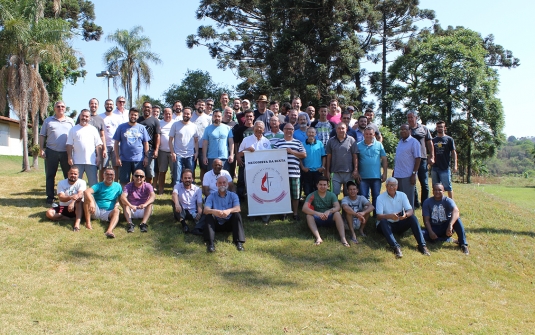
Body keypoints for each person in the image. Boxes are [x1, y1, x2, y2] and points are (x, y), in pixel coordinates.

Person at [375, 177, 430, 258]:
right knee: (383, 221)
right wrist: (390, 216)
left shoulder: (402, 195)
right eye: (389, 185)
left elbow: (410, 210)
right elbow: (378, 216)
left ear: (397, 186)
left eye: (393, 185)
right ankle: (396, 247)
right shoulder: (380, 198)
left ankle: (422, 245)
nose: (391, 187)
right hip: (387, 225)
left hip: (399, 221)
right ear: (386, 186)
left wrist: (405, 215)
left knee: (413, 218)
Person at [39, 101, 75, 204]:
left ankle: (68, 196)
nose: (60, 108)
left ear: (65, 108)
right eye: (58, 106)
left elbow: (74, 136)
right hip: (51, 152)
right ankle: (50, 197)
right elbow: (42, 135)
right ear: (55, 108)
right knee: (50, 175)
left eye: (62, 106)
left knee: (68, 176)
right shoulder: (48, 121)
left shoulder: (70, 121)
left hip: (66, 153)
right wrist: (42, 149)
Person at [302, 177, 350, 247]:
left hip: (329, 217)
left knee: (337, 214)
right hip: (317, 217)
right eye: (320, 184)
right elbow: (304, 208)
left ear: (328, 186)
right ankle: (318, 238)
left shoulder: (331, 195)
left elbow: (338, 207)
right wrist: (317, 213)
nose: (322, 186)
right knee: (308, 216)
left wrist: (329, 211)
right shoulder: (312, 195)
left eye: (324, 185)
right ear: (317, 185)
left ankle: (343, 238)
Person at [422, 183, 469, 254]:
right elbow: (426, 220)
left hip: (446, 227)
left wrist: (450, 225)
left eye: (440, 190)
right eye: (435, 190)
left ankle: (463, 244)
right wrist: (431, 232)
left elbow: (456, 211)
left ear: (443, 191)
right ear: (432, 191)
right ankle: (446, 239)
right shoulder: (427, 202)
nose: (437, 192)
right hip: (434, 227)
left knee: (457, 219)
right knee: (421, 234)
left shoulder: (448, 200)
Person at [203, 176, 246, 253]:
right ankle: (211, 243)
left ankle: (238, 242)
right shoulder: (211, 196)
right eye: (220, 183)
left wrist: (229, 211)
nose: (222, 184)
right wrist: (214, 211)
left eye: (224, 183)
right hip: (216, 224)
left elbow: (238, 208)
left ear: (227, 184)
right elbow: (205, 210)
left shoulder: (233, 195)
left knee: (237, 215)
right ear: (216, 184)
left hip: (229, 223)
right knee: (208, 216)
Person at [274, 123, 307, 220]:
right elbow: (273, 156)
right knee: (283, 194)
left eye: (291, 129)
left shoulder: (298, 143)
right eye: (287, 129)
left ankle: (295, 213)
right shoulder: (278, 143)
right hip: (281, 174)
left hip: (294, 173)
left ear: (293, 131)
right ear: (283, 130)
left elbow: (304, 155)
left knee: (295, 195)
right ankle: (284, 213)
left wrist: (292, 152)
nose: (289, 131)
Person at [113, 108, 150, 186]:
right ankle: (124, 197)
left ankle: (137, 197)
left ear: (138, 116)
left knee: (138, 181)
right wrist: (117, 157)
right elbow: (116, 143)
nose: (133, 116)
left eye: (135, 115)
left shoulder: (142, 128)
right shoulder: (121, 127)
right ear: (129, 115)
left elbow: (146, 143)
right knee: (124, 181)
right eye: (132, 114)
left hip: (139, 159)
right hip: (124, 159)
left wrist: (146, 157)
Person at [66, 109, 103, 187]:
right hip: (77, 161)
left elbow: (98, 144)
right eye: (83, 115)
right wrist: (69, 157)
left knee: (93, 184)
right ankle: (77, 198)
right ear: (80, 116)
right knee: (75, 183)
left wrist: (98, 156)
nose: (84, 118)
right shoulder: (73, 129)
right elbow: (69, 144)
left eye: (87, 116)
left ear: (89, 118)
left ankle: (93, 198)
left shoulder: (93, 129)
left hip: (91, 161)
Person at [83, 167, 122, 238]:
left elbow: (120, 198)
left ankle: (109, 231)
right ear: (103, 175)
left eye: (111, 174)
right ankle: (88, 223)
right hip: (95, 210)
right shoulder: (99, 185)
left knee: (117, 211)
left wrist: (118, 205)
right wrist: (91, 202)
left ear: (114, 176)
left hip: (108, 212)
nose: (109, 176)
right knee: (87, 197)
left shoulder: (118, 186)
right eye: (107, 174)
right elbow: (86, 191)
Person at [45, 166, 86, 231]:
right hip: (63, 206)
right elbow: (61, 198)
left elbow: (80, 194)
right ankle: (68, 218)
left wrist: (72, 202)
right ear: (68, 173)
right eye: (71, 173)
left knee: (79, 201)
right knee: (49, 213)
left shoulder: (82, 182)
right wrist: (71, 197)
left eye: (75, 174)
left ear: (78, 174)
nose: (73, 175)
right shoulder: (61, 183)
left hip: (77, 207)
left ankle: (77, 224)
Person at [356, 127, 388, 210]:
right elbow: (355, 160)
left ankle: (376, 216)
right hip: (363, 177)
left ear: (374, 134)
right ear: (363, 134)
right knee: (363, 197)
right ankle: (364, 216)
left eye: (370, 134)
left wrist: (385, 173)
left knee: (376, 197)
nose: (368, 135)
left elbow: (384, 159)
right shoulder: (358, 145)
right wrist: (357, 173)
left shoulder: (379, 144)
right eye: (366, 134)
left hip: (376, 177)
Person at [407, 111, 434, 207]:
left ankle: (425, 203)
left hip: (422, 159)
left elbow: (430, 143)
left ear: (416, 117)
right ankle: (415, 203)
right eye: (408, 117)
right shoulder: (406, 129)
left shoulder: (424, 128)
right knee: (411, 182)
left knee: (425, 183)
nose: (410, 119)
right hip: (410, 160)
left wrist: (432, 155)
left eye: (412, 117)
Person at [393, 123, 423, 209]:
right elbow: (398, 158)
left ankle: (410, 219)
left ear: (410, 131)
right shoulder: (400, 142)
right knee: (398, 199)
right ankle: (400, 218)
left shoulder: (414, 142)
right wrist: (394, 171)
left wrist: (414, 173)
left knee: (408, 200)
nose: (402, 131)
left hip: (408, 175)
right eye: (401, 130)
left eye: (405, 129)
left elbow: (418, 159)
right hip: (398, 175)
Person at [325, 122, 359, 196]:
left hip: (349, 172)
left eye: (343, 128)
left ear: (346, 129)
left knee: (349, 194)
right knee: (334, 194)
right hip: (335, 172)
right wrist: (327, 171)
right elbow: (328, 157)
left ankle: (346, 208)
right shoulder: (331, 141)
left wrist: (355, 170)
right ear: (336, 130)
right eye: (339, 128)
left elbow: (355, 156)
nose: (341, 130)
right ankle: (335, 207)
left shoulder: (351, 140)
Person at [168, 107, 198, 186]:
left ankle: (190, 194)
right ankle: (177, 194)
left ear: (191, 115)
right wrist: (172, 153)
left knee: (189, 176)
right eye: (184, 113)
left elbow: (196, 141)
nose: (186, 115)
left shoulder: (194, 126)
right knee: (177, 178)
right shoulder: (175, 124)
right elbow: (170, 140)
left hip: (190, 155)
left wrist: (197, 152)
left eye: (188, 114)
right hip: (178, 155)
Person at [120, 169, 156, 233]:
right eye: (136, 176)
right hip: (132, 210)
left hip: (144, 209)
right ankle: (130, 224)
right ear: (133, 177)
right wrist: (130, 205)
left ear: (144, 178)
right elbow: (122, 197)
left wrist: (145, 204)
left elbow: (153, 196)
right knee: (125, 204)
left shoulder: (148, 185)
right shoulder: (128, 186)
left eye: (141, 176)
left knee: (150, 204)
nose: (139, 178)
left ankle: (143, 224)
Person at [76, 98, 106, 167]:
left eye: (95, 104)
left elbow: (102, 135)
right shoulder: (81, 117)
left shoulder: (100, 119)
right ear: (89, 105)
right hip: (83, 148)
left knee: (96, 169)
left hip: (95, 148)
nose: (93, 105)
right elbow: (76, 130)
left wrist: (104, 149)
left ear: (98, 106)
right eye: (92, 103)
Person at [431, 121, 458, 199]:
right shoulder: (433, 140)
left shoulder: (449, 139)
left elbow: (453, 152)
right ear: (436, 128)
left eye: (441, 127)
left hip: (445, 168)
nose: (440, 128)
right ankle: (436, 202)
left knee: (448, 187)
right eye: (438, 127)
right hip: (435, 168)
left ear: (444, 128)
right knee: (435, 188)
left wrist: (455, 165)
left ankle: (451, 204)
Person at [172, 169, 203, 233]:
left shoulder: (197, 189)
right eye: (185, 178)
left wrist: (199, 214)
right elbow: (174, 194)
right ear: (181, 179)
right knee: (174, 201)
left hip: (193, 211)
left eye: (189, 178)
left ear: (192, 179)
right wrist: (177, 204)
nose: (187, 180)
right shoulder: (177, 186)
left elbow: (199, 203)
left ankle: (198, 226)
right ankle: (184, 225)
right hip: (181, 210)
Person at [138, 101, 161, 184]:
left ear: (151, 109)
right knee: (138, 171)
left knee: (149, 172)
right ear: (142, 108)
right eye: (145, 107)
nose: (147, 109)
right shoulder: (138, 120)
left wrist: (156, 150)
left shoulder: (155, 121)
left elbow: (157, 136)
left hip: (150, 150)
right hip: (138, 150)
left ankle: (148, 189)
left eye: (148, 107)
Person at [233, 109, 255, 198]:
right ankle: (240, 196)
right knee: (241, 178)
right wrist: (237, 156)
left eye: (250, 116)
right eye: (247, 116)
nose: (249, 118)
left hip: (255, 157)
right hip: (243, 157)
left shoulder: (257, 129)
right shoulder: (239, 129)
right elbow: (236, 143)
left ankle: (253, 195)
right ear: (244, 117)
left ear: (253, 117)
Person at [99, 99, 121, 181]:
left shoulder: (117, 117)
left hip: (115, 145)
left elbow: (120, 131)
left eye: (111, 104)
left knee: (116, 166)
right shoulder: (100, 117)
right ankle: (101, 185)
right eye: (107, 104)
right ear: (104, 105)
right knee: (103, 166)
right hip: (104, 145)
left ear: (114, 105)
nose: (109, 106)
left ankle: (114, 185)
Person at [300, 127, 326, 197]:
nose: (311, 134)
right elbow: (300, 158)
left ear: (315, 134)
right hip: (307, 171)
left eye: (312, 132)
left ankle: (317, 206)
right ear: (306, 134)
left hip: (318, 171)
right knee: (307, 190)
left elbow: (323, 156)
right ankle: (308, 206)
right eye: (309, 132)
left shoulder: (320, 143)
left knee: (318, 190)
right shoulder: (302, 144)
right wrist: (302, 167)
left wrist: (322, 167)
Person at [191, 100, 212, 182]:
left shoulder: (208, 118)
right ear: (195, 106)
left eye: (203, 105)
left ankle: (204, 184)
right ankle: (191, 183)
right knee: (191, 166)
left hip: (204, 147)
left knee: (204, 167)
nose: (201, 106)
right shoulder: (191, 117)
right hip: (192, 146)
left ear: (205, 107)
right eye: (199, 104)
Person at [157, 108, 175, 194]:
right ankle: (161, 190)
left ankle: (175, 191)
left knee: (174, 172)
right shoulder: (159, 123)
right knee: (162, 171)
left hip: (173, 152)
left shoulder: (175, 123)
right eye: (166, 113)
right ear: (163, 114)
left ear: (172, 114)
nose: (168, 115)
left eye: (169, 114)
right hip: (162, 151)